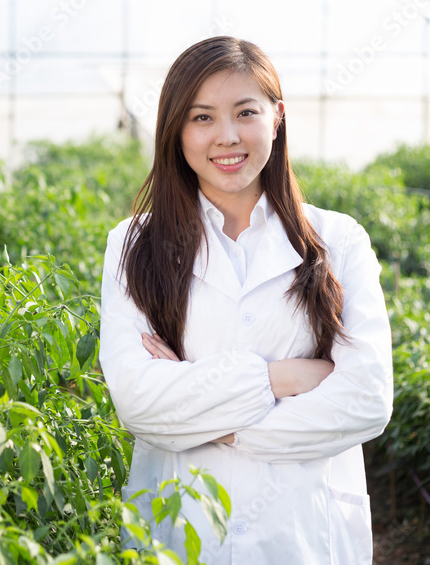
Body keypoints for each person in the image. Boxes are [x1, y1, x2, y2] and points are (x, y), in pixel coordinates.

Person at [98, 36, 392, 564]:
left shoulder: (338, 239)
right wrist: (280, 380)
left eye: (245, 112)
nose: (227, 137)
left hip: (303, 534)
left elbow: (367, 399)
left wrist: (213, 423)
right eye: (202, 117)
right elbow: (138, 399)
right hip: (180, 533)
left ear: (277, 118)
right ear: (175, 130)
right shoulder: (134, 242)